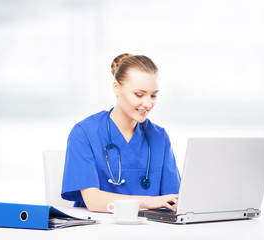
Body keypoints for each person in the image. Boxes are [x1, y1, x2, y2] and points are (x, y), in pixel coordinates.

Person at [61, 53, 181, 213]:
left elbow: (174, 199)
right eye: (139, 94)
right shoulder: (84, 133)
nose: (148, 103)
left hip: (151, 230)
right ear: (116, 88)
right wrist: (147, 202)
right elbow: (93, 201)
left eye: (153, 95)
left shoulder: (159, 137)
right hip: (99, 229)